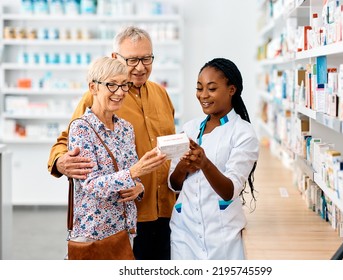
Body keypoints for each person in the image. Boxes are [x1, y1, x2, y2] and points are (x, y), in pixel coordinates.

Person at [48, 26, 177, 260]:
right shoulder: (99, 96)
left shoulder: (161, 94)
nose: (140, 66)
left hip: (166, 209)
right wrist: (59, 162)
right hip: (125, 219)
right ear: (115, 58)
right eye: (133, 59)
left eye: (146, 58)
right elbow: (67, 139)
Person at [67, 56, 166, 249]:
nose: (119, 92)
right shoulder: (82, 129)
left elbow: (133, 177)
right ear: (93, 88)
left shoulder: (126, 129)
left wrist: (139, 188)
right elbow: (90, 184)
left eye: (124, 85)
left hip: (126, 232)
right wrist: (133, 173)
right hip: (93, 235)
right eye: (112, 85)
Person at [169, 58, 259, 260]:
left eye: (211, 89)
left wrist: (205, 164)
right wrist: (184, 166)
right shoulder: (190, 128)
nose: (203, 95)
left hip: (222, 235)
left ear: (231, 90)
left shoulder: (243, 133)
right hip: (184, 232)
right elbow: (174, 184)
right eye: (199, 88)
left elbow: (230, 191)